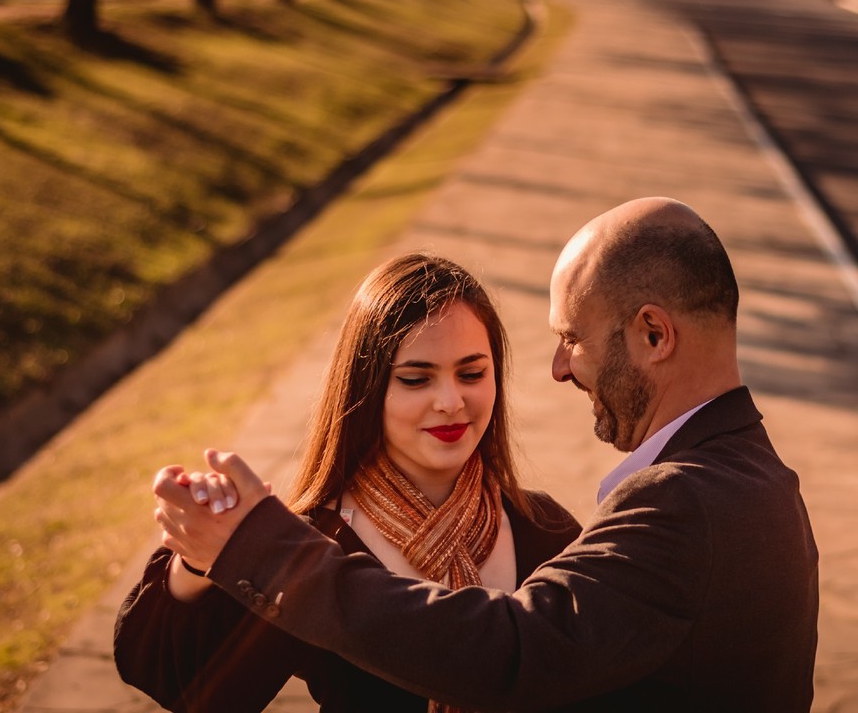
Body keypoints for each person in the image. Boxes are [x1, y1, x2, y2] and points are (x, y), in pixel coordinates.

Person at [155, 197, 819, 711]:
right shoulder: (763, 481)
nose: (560, 369)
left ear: (653, 334)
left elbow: (513, 649)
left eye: (573, 339)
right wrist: (208, 554)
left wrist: (265, 548)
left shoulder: (668, 505)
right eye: (417, 377)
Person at [115, 253, 582, 712]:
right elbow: (194, 691)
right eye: (416, 379)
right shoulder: (310, 543)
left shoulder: (544, 528)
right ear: (367, 386)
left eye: (472, 374)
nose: (450, 401)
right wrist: (199, 562)